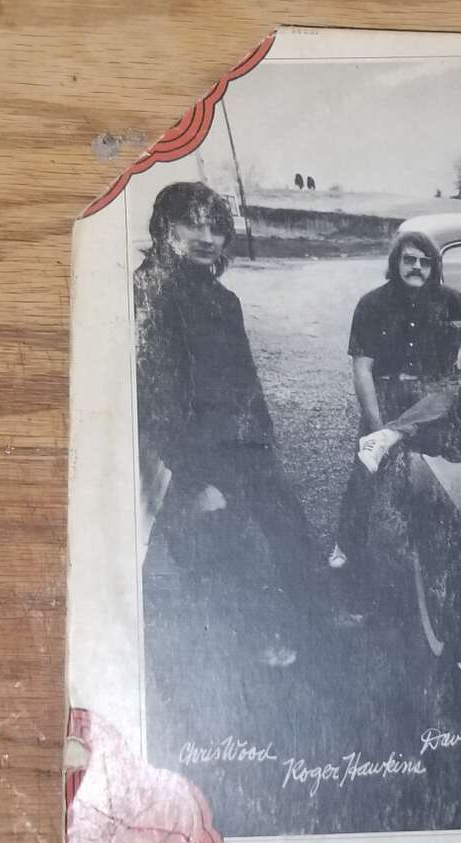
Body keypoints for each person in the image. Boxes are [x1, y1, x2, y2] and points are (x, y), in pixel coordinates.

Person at [135, 181, 326, 667]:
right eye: (192, 225)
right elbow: (157, 396)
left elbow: (245, 381)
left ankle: (321, 621)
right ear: (165, 228)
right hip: (191, 453)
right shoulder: (149, 293)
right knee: (225, 549)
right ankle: (252, 648)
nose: (206, 238)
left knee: (291, 530)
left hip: (245, 445)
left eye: (215, 228)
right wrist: (195, 478)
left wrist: (264, 442)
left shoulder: (224, 299)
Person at [327, 230, 461, 570]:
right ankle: (345, 544)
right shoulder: (371, 304)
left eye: (425, 263)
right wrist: (375, 424)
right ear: (396, 262)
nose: (417, 268)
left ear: (433, 268)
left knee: (455, 393)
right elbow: (362, 370)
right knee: (365, 469)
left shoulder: (443, 298)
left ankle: (391, 440)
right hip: (387, 392)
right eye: (409, 260)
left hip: (430, 397)